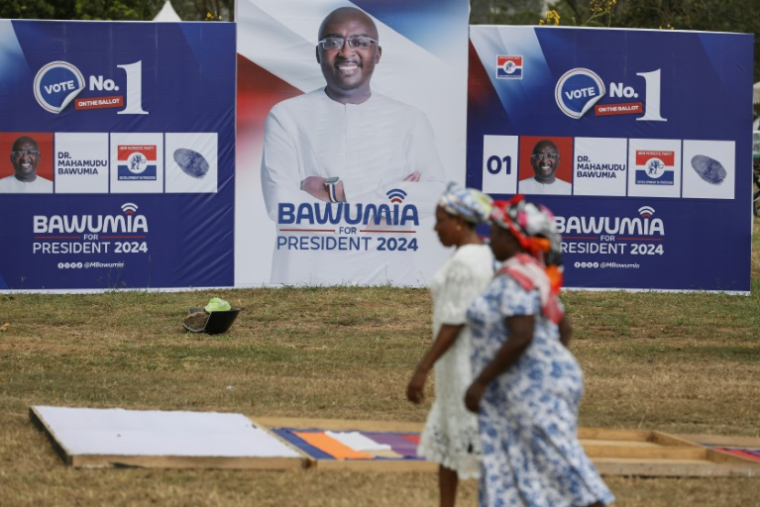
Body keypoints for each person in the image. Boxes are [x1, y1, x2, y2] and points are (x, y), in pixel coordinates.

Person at [260, 6, 446, 285]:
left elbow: (437, 196)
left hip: (389, 281)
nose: (347, 52)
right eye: (333, 42)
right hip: (306, 281)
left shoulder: (410, 120)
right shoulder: (286, 116)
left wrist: (338, 191)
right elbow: (281, 205)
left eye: (360, 42)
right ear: (318, 53)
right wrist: (394, 196)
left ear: (377, 54)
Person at [464, 196, 614, 507]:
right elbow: (563, 328)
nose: (489, 236)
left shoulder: (515, 277)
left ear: (513, 238)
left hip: (532, 390)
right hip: (533, 385)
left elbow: (522, 335)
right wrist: (546, 364)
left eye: (495, 230)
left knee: (563, 470)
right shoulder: (531, 272)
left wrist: (482, 381)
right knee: (521, 468)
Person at [407, 185, 494, 507]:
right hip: (458, 363)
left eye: (440, 220)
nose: (434, 227)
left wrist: (421, 369)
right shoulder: (480, 254)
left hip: (463, 362)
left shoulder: (467, 262)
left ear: (459, 222)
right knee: (447, 431)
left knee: (470, 433)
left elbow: (454, 322)